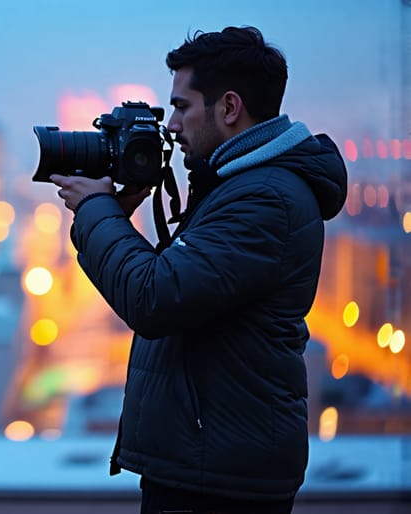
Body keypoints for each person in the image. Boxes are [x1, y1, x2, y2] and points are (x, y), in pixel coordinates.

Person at [50, 26, 347, 513]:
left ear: (229, 108)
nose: (171, 125)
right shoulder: (237, 184)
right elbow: (180, 284)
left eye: (182, 106)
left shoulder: (264, 197)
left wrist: (97, 211)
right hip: (210, 460)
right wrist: (116, 214)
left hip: (219, 479)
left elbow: (155, 298)